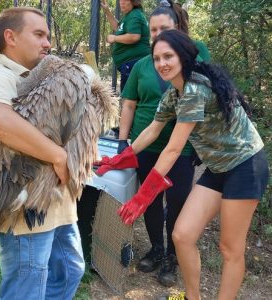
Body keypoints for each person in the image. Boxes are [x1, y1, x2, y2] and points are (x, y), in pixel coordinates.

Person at [96, 29, 269, 300]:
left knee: (230, 248)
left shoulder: (193, 90)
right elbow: (153, 130)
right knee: (183, 235)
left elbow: (174, 148)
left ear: (184, 57)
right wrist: (122, 156)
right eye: (156, 58)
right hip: (218, 168)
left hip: (245, 166)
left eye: (168, 56)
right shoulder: (174, 94)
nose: (162, 63)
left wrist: (144, 194)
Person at [0, 7, 85, 299]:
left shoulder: (44, 78)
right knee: (28, 286)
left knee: (70, 270)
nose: (47, 42)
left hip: (58, 206)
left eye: (47, 35)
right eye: (38, 34)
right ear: (10, 37)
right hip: (25, 210)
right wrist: (58, 156)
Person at [117, 0, 211, 287]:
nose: (158, 34)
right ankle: (157, 248)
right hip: (148, 146)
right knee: (153, 203)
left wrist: (197, 145)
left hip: (181, 148)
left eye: (164, 28)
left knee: (179, 200)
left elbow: (204, 102)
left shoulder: (192, 64)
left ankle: (172, 255)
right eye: (153, 30)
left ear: (178, 29)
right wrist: (124, 146)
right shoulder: (144, 66)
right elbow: (131, 104)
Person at [101, 0, 150, 92]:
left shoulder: (134, 15)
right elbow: (117, 27)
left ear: (134, 2)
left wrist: (114, 38)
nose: (121, 2)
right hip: (131, 65)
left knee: (128, 99)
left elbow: (134, 36)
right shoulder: (129, 15)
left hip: (133, 64)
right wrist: (107, 11)